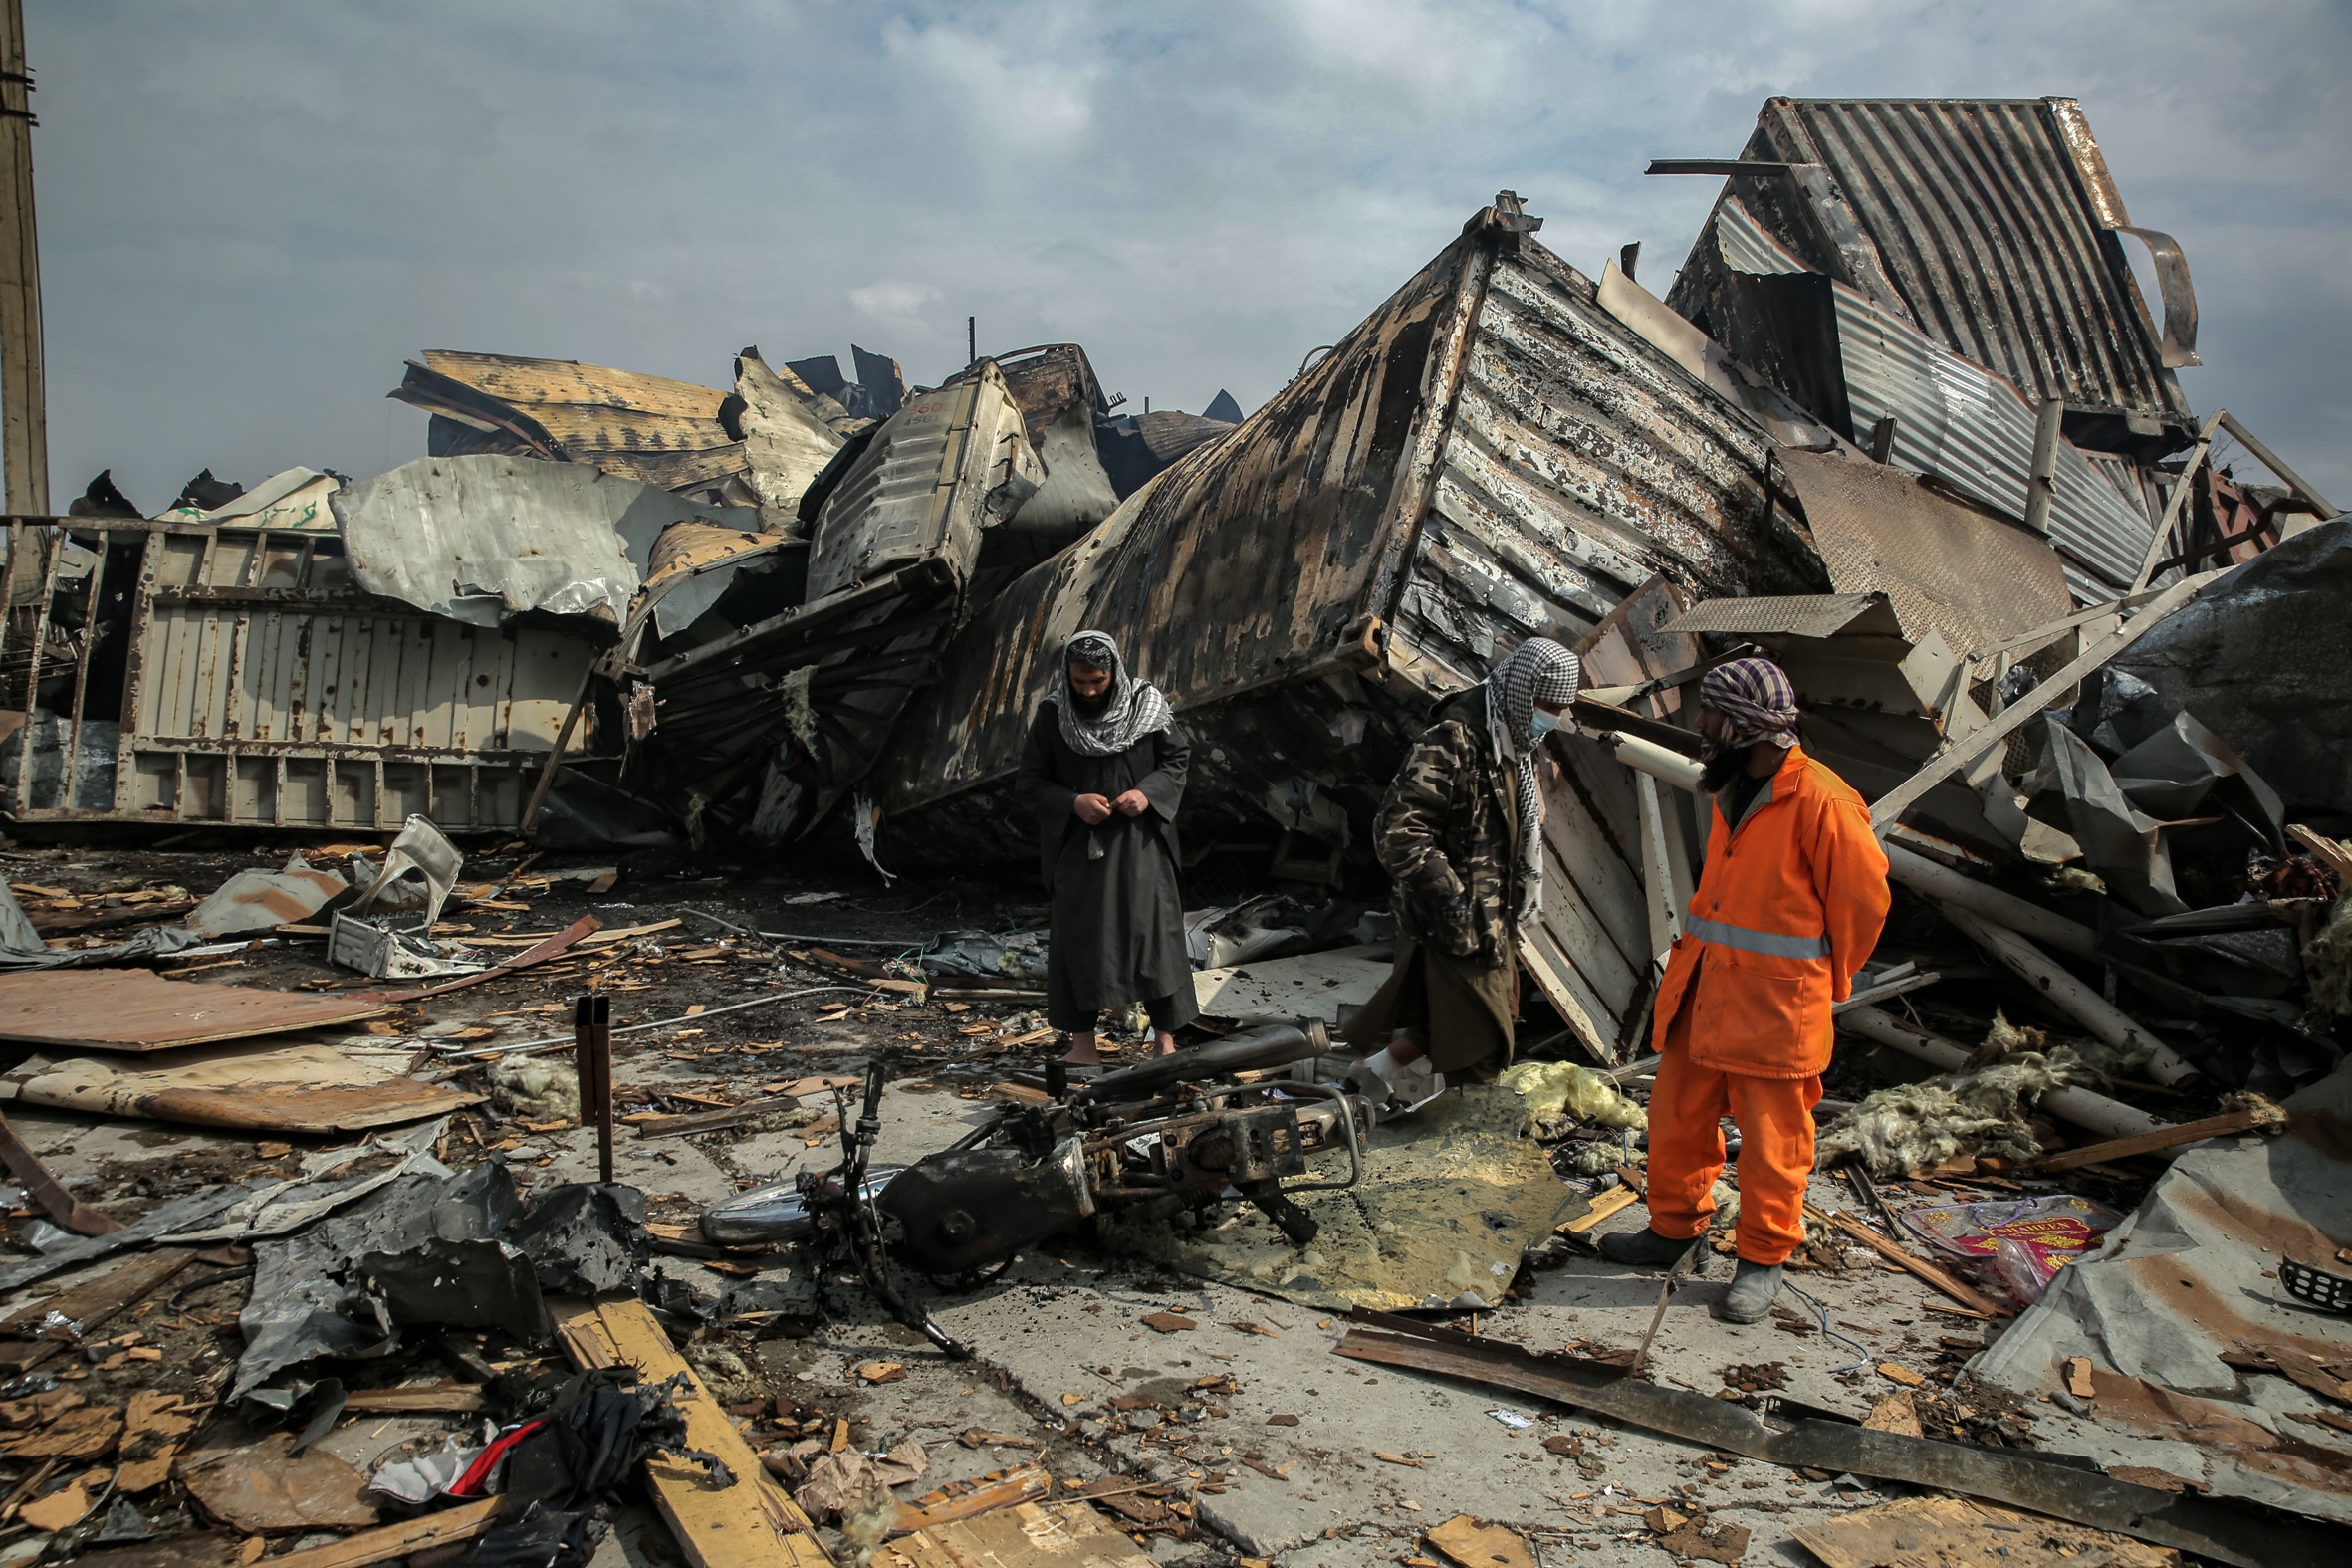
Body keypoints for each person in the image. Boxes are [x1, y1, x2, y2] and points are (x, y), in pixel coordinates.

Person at [1597, 657, 1890, 1323]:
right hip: (1704, 992)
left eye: (1710, 713)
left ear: (1745, 724)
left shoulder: (1823, 800)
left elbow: (1864, 908)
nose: (1700, 724)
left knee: (1774, 1146)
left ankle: (1761, 1261)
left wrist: (1827, 981)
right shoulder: (1733, 785)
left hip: (1778, 1008)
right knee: (1675, 1123)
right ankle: (1673, 1230)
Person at [1347, 637, 1581, 1112]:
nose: (1552, 717)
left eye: (1561, 708)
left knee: (1458, 1020)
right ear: (1521, 688)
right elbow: (1398, 831)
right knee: (1484, 1041)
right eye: (1547, 704)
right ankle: (1463, 1148)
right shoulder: (1454, 741)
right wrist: (1453, 899)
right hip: (1454, 921)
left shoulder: (1515, 745)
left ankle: (1369, 1074)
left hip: (1493, 920)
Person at [1015, 631, 1197, 1065]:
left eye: (1097, 681)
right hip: (1081, 852)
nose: (1090, 691)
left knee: (1156, 939)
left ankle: (1164, 1044)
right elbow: (1029, 784)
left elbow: (1177, 759)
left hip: (1142, 849)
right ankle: (1083, 1048)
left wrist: (1148, 793)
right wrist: (1072, 803)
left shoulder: (1147, 706)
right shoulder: (1053, 715)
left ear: (1114, 670)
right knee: (1081, 941)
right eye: (1080, 682)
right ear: (1068, 676)